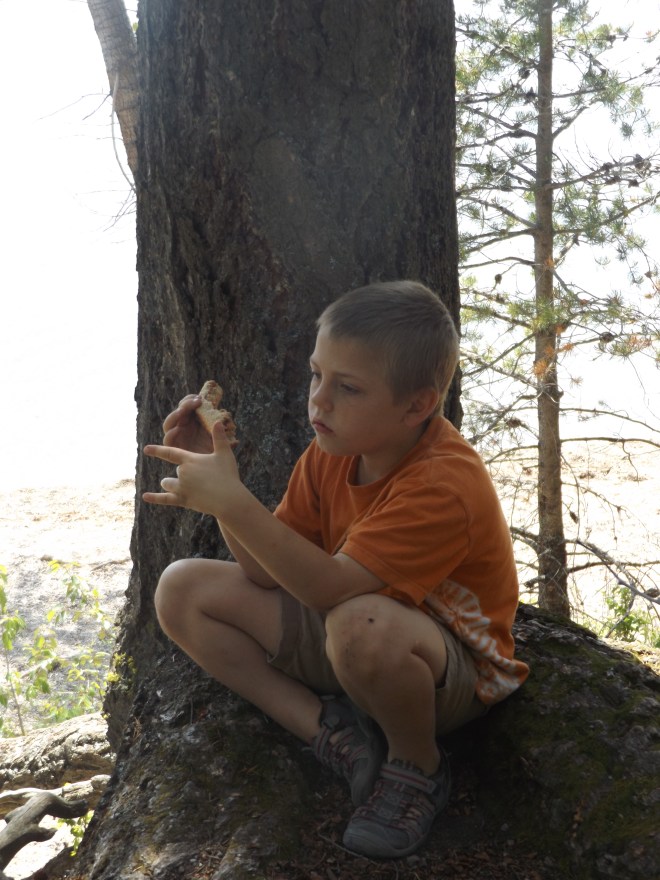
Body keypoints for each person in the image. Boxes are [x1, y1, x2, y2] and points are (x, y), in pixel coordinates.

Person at [143, 280, 529, 859]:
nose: (319, 401)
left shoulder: (443, 484)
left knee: (361, 624)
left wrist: (230, 501)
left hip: (444, 669)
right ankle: (331, 731)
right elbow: (265, 571)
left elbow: (329, 587)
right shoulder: (331, 452)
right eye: (316, 374)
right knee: (181, 588)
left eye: (347, 388)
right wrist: (219, 478)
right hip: (346, 630)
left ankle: (415, 763)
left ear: (418, 405)